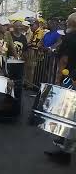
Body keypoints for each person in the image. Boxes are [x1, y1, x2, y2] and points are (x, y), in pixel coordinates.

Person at [43, 13, 76, 165]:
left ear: (70, 24)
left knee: (68, 116)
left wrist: (57, 80)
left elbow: (63, 60)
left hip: (69, 79)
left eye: (66, 23)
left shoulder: (69, 38)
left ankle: (65, 153)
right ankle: (64, 147)